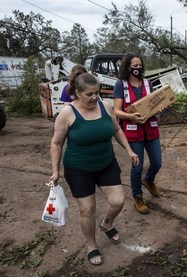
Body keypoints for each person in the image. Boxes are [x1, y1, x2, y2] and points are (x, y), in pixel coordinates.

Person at [49, 70, 139, 266]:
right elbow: (56, 143)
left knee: (118, 201)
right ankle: (91, 245)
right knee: (87, 210)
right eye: (89, 94)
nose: (94, 97)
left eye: (97, 92)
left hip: (106, 164)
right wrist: (55, 171)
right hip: (78, 169)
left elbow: (116, 129)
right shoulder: (67, 113)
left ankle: (106, 224)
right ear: (77, 94)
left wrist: (129, 150)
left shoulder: (105, 107)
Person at [113, 53, 163, 215]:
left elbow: (155, 103)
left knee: (157, 162)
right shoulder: (121, 85)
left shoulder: (148, 83)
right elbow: (117, 112)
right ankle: (137, 197)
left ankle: (148, 180)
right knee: (137, 166)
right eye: (134, 66)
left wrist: (159, 109)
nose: (138, 69)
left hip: (151, 129)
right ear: (128, 67)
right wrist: (131, 117)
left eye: (139, 65)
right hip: (133, 132)